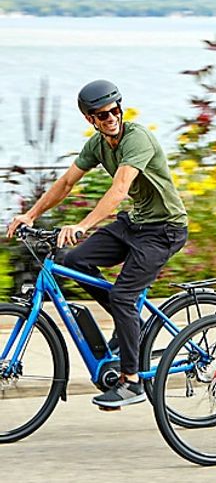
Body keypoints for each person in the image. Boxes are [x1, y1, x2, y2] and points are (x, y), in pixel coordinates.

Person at [7, 79, 188, 409]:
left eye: (115, 110)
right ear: (90, 119)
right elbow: (65, 183)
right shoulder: (98, 144)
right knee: (74, 261)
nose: (111, 117)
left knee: (122, 296)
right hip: (135, 225)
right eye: (102, 115)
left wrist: (82, 225)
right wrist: (30, 214)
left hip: (165, 229)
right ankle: (131, 321)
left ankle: (132, 383)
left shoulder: (137, 139)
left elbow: (119, 190)